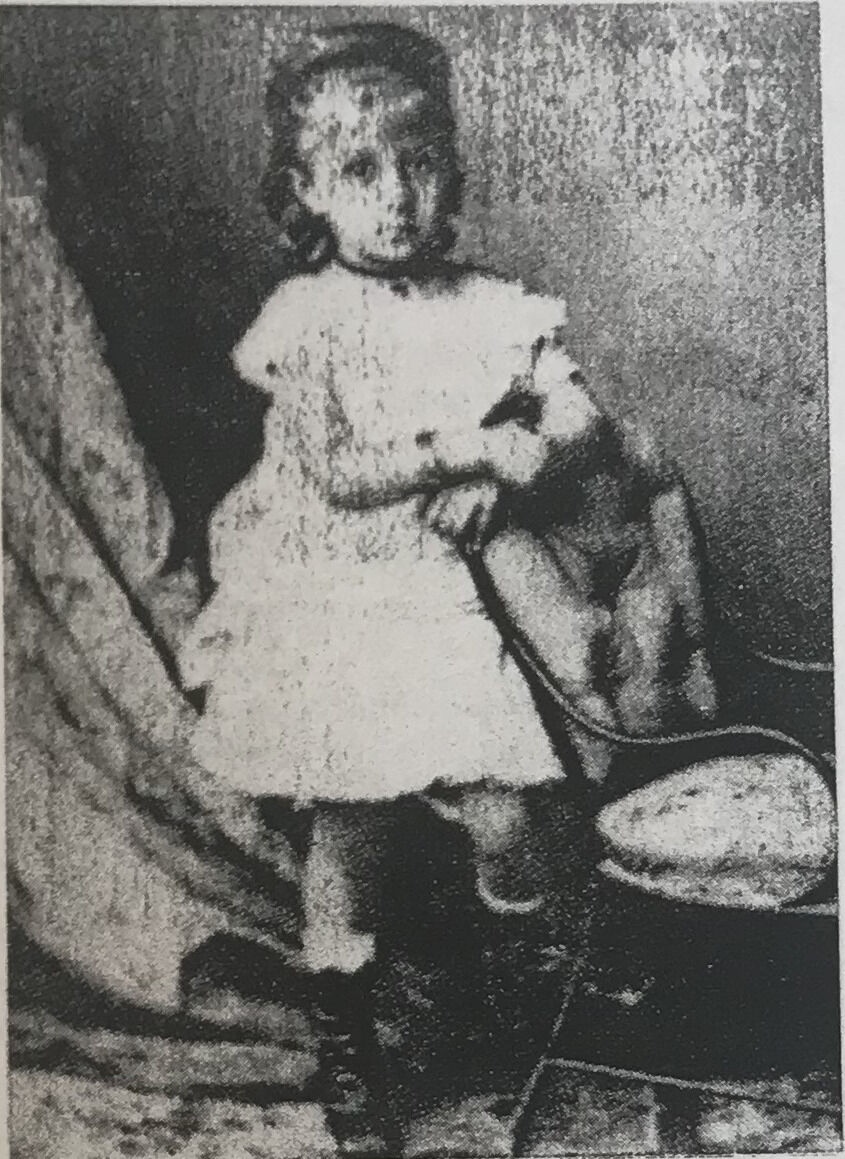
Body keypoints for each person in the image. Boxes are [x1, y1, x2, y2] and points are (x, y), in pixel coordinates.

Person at [178, 21, 690, 1151]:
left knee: (509, 814)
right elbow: (337, 469)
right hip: (338, 601)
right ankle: (347, 1033)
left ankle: (518, 1004)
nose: (395, 195)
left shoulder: (487, 302)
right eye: (359, 170)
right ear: (306, 188)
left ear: (447, 169)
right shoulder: (307, 318)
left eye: (416, 162)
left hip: (459, 608)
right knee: (348, 824)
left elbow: (577, 417)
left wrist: (524, 469)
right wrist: (465, 449)